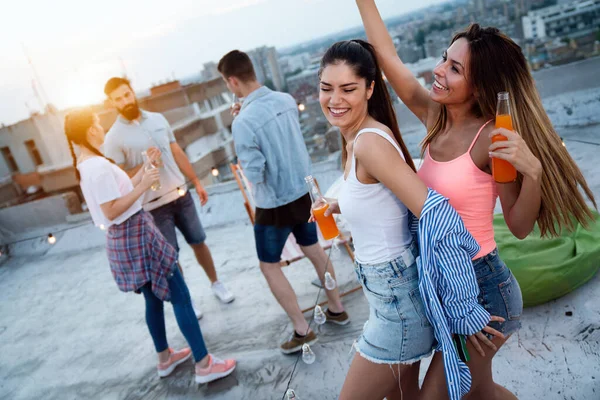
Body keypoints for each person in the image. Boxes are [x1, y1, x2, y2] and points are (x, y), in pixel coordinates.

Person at [356, 1, 597, 398]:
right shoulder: (435, 118)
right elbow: (389, 60)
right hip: (442, 281)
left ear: (480, 86)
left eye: (455, 68)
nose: (439, 70)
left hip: (484, 291)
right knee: (479, 392)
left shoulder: (490, 140)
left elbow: (519, 227)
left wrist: (533, 173)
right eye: (443, 59)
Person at [317, 39, 503, 400]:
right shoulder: (357, 140)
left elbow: (439, 215)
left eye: (348, 89)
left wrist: (465, 305)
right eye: (326, 88)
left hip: (398, 302)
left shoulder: (369, 143)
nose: (334, 99)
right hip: (387, 294)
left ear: (370, 88)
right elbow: (384, 197)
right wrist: (340, 203)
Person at [64, 107, 236, 384]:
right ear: (90, 130)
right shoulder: (95, 166)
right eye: (97, 124)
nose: (101, 129)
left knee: (153, 299)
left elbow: (116, 195)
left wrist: (145, 170)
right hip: (136, 233)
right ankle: (204, 364)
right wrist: (144, 184)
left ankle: (164, 358)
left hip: (124, 238)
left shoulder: (87, 163)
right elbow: (111, 209)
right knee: (180, 295)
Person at [217, 50, 350, 354]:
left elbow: (255, 173)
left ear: (233, 80)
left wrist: (241, 131)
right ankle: (337, 309)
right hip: (302, 192)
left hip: (273, 203)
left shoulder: (243, 122)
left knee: (269, 266)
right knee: (315, 251)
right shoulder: (286, 100)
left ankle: (302, 330)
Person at [102, 77, 235, 317]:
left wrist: (196, 181)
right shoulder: (113, 138)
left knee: (199, 241)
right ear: (112, 104)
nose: (125, 100)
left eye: (127, 94)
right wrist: (145, 164)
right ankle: (188, 300)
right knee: (171, 259)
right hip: (153, 206)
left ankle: (216, 283)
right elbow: (119, 180)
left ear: (133, 92)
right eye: (118, 98)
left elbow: (176, 151)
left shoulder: (157, 119)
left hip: (181, 195)